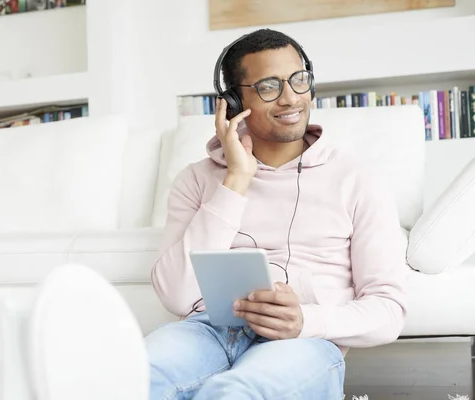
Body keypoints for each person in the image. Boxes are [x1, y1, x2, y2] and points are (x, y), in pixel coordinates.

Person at [145, 28, 408, 399]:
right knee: (130, 380)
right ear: (235, 104)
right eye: (269, 86)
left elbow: (389, 310)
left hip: (304, 338)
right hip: (206, 331)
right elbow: (175, 296)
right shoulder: (196, 179)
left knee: (234, 393)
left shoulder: (357, 179)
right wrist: (235, 179)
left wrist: (307, 320)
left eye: (299, 81)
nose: (291, 99)